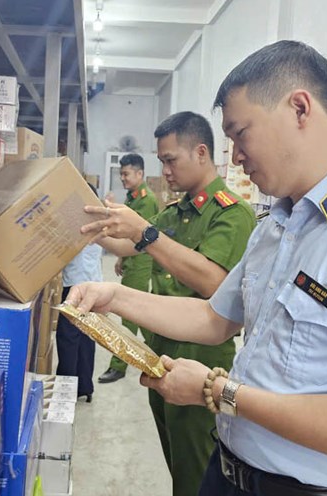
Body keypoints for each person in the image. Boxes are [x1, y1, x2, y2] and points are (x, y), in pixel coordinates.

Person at [67, 40, 327, 495]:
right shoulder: (277, 226)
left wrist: (218, 390)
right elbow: (215, 317)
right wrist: (114, 296)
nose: (237, 155)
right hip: (227, 473)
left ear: (299, 108)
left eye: (240, 134)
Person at [84, 112, 256, 495]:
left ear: (200, 152)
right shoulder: (177, 211)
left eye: (170, 160)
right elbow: (130, 243)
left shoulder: (231, 214)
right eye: (161, 161)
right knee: (176, 462)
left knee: (197, 473)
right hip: (160, 353)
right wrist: (92, 230)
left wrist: (145, 233)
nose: (165, 170)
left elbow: (214, 282)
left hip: (200, 358)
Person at [98, 153, 160, 384]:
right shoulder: (133, 197)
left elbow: (143, 240)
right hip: (133, 261)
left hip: (142, 263)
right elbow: (130, 235)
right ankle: (163, 354)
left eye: (126, 174)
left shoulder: (146, 200)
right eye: (121, 174)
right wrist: (121, 259)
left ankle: (118, 366)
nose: (122, 178)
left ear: (139, 174)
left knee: (129, 316)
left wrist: (126, 255)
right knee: (143, 319)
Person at [55, 183, 103, 403]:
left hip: (75, 287)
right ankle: (85, 386)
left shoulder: (77, 225)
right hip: (95, 286)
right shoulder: (98, 224)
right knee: (86, 337)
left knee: (68, 338)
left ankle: (66, 388)